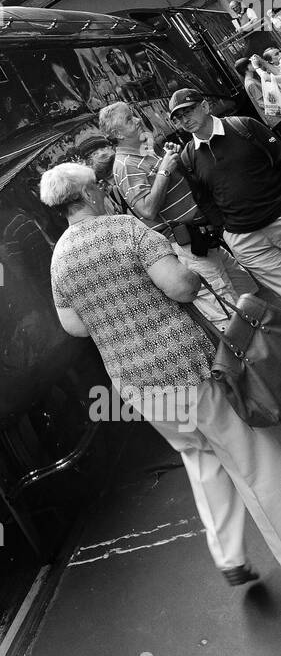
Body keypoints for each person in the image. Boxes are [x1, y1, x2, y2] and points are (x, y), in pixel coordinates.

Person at [40, 162, 281, 586]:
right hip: (186, 367)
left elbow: (74, 326)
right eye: (99, 186)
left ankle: (229, 557)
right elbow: (181, 287)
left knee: (199, 457)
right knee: (251, 454)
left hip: (138, 385)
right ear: (91, 193)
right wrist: (187, 264)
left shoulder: (59, 258)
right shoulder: (125, 230)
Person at [99, 102, 238, 325]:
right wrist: (164, 169)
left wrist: (170, 159)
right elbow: (147, 210)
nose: (136, 120)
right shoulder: (125, 164)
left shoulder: (142, 152)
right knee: (228, 312)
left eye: (133, 115)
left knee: (244, 294)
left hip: (203, 237)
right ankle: (257, 355)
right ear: (117, 134)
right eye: (128, 119)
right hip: (190, 245)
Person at [170, 88, 281, 298]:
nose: (184, 120)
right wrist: (227, 232)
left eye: (188, 111)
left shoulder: (243, 126)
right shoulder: (187, 157)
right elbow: (203, 198)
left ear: (205, 106)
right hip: (246, 240)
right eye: (178, 117)